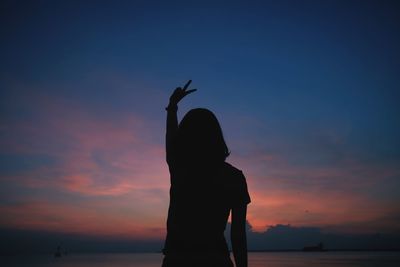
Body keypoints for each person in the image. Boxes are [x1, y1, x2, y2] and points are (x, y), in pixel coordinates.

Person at [162, 80, 251, 267]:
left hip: (178, 260)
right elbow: (238, 236)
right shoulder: (234, 177)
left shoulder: (180, 168)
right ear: (217, 137)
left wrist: (172, 107)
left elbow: (172, 141)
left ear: (184, 138)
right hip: (216, 259)